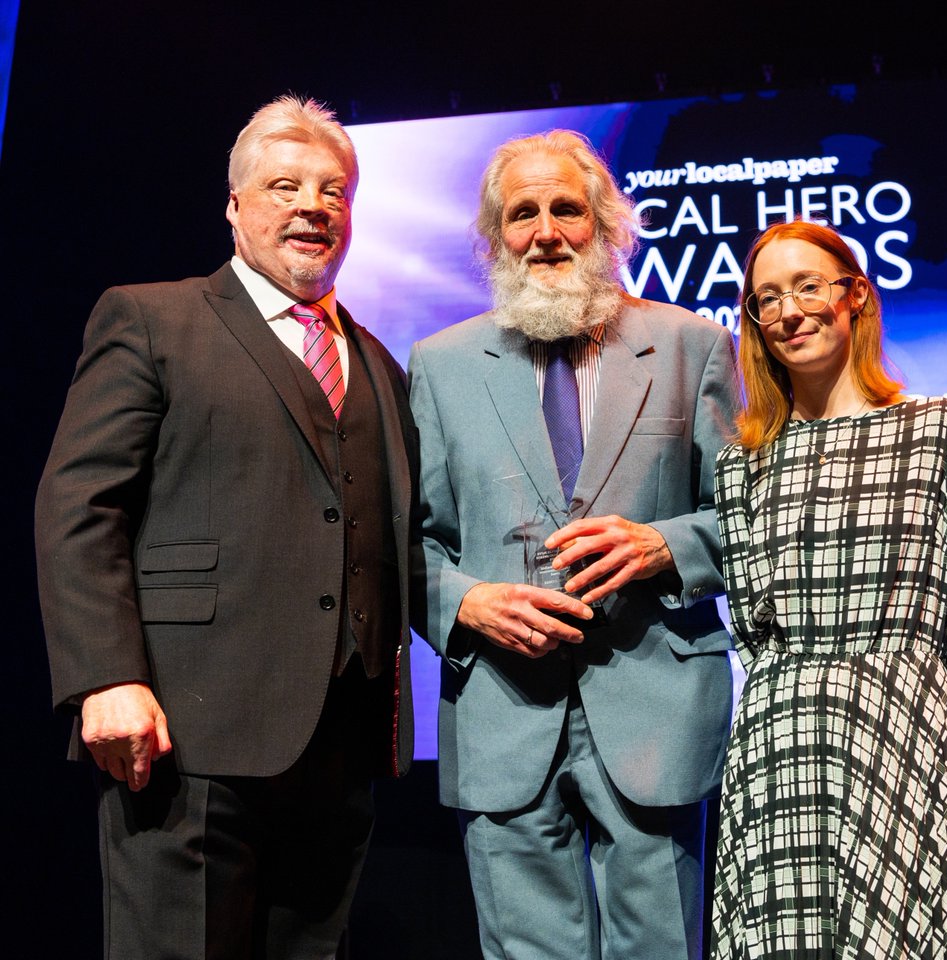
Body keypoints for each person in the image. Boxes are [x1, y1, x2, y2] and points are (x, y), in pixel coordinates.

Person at [34, 95, 418, 960]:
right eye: (285, 187)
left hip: (338, 746)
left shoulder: (381, 364)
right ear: (235, 207)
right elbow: (79, 504)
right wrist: (106, 677)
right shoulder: (150, 318)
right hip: (186, 737)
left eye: (334, 191)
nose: (313, 207)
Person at [408, 130, 738, 960]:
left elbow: (751, 514)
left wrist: (666, 546)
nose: (547, 231)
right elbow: (405, 545)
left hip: (656, 709)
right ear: (495, 237)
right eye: (523, 214)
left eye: (568, 209)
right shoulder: (441, 365)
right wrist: (467, 601)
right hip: (502, 712)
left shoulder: (694, 345)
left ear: (608, 226)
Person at [711, 219, 947, 959]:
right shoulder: (742, 464)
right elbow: (754, 629)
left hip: (902, 731)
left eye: (809, 286)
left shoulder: (946, 430)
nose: (790, 311)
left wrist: (923, 721)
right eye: (767, 299)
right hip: (778, 744)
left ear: (855, 297)